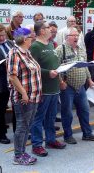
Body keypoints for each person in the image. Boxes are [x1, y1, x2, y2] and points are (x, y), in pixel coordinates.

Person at [56, 27, 94, 144]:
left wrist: (89, 80)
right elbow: (56, 68)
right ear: (67, 37)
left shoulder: (81, 49)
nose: (76, 37)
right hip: (67, 87)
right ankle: (68, 135)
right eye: (73, 35)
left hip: (81, 87)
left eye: (77, 35)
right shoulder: (60, 50)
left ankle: (87, 133)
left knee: (85, 111)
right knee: (67, 113)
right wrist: (61, 82)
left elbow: (85, 66)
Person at [30, 21, 66, 157]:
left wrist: (60, 80)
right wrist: (47, 73)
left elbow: (55, 65)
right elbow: (33, 68)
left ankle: (50, 140)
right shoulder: (35, 47)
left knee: (51, 117)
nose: (51, 29)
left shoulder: (50, 44)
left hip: (54, 87)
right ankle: (37, 145)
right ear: (41, 31)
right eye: (47, 27)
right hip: (43, 88)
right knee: (39, 118)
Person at [7, 28, 41, 165]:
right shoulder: (14, 53)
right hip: (23, 97)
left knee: (27, 126)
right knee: (22, 126)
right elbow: (12, 76)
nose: (32, 39)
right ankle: (17, 156)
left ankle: (22, 151)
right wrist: (24, 93)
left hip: (33, 96)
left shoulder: (27, 53)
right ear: (25, 39)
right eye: (31, 37)